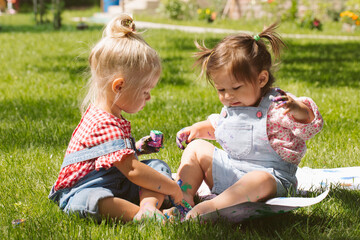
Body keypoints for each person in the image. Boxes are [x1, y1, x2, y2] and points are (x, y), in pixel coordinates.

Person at [175, 23, 323, 219]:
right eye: (221, 90)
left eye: (236, 88)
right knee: (195, 149)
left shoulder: (278, 106)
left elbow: (309, 127)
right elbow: (219, 127)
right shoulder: (232, 107)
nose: (228, 96)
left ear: (261, 79)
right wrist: (195, 130)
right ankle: (182, 199)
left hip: (269, 180)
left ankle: (209, 208)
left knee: (259, 179)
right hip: (232, 172)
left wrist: (297, 109)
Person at [49, 14, 183, 223]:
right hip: (86, 187)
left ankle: (149, 207)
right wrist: (172, 187)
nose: (149, 98)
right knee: (92, 200)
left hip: (114, 180)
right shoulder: (102, 122)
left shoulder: (112, 113)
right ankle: (140, 215)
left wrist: (137, 148)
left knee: (156, 166)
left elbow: (111, 159)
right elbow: (132, 170)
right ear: (119, 86)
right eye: (145, 91)